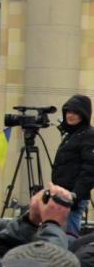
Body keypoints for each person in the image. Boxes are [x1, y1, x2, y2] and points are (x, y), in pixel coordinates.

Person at [51, 94, 94, 235]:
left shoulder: (88, 135)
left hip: (72, 198)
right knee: (59, 236)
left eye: (75, 112)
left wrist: (75, 195)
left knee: (68, 238)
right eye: (69, 111)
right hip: (61, 196)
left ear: (83, 114)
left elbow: (90, 169)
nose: (71, 115)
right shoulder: (71, 135)